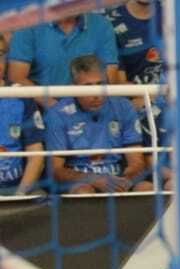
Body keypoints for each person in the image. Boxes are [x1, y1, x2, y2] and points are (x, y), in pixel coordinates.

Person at [45, 55, 152, 195]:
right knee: (83, 191)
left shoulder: (123, 107)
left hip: (117, 176)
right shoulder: (57, 113)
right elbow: (56, 170)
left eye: (100, 84)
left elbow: (136, 161)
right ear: (73, 88)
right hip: (79, 181)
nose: (96, 94)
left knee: (146, 189)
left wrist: (126, 179)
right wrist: (94, 179)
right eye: (87, 86)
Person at [6, 10, 119, 91]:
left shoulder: (102, 25)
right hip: (42, 108)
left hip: (89, 105)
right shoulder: (28, 24)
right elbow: (17, 78)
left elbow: (109, 77)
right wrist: (55, 107)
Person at [0, 83, 46, 198]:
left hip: (19, 187)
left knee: (41, 200)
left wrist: (19, 196)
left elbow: (36, 157)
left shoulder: (21, 97)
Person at [106, 0, 163, 86]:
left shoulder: (177, 17)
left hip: (178, 93)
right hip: (138, 95)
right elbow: (120, 85)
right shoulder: (110, 23)